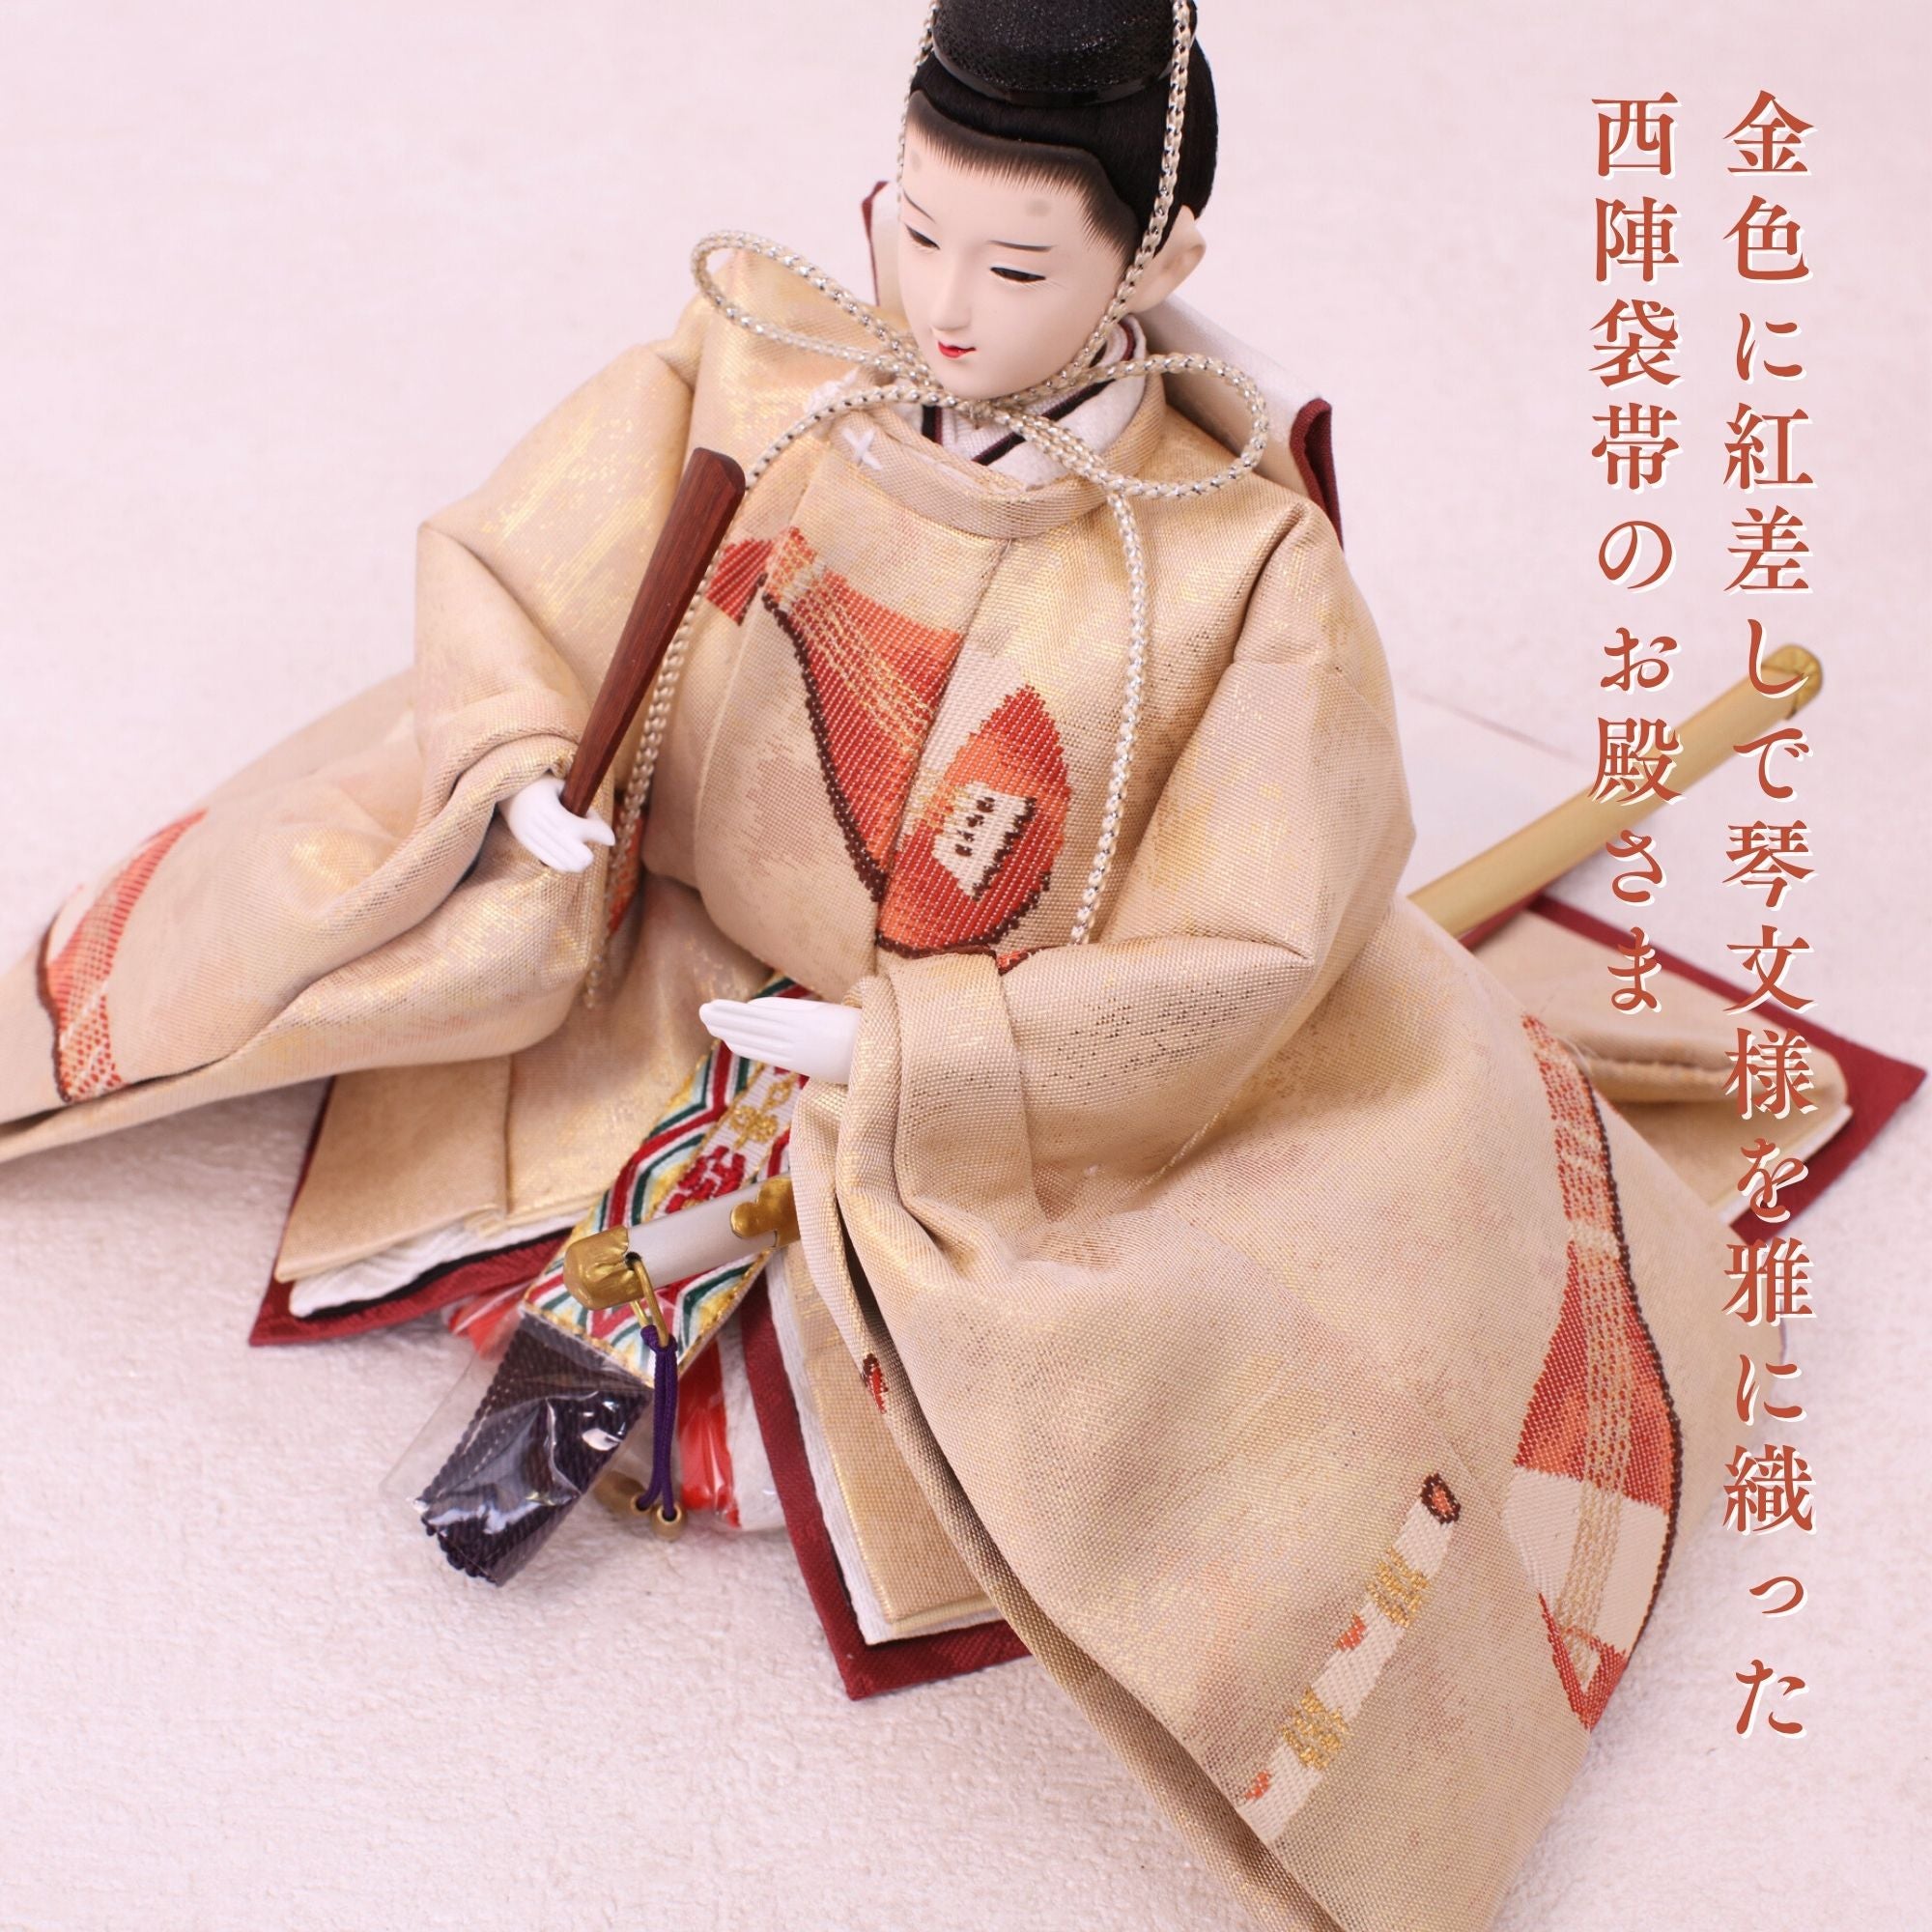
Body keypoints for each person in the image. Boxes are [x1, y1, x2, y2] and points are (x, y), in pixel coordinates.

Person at [0, 5, 1773, 1926]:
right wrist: (523, 768)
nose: (939, 303)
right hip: (674, 946)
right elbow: (524, 569)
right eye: (911, 231)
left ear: (1151, 263)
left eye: (1013, 266)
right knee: (371, 968)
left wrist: (931, 1053)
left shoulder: (1235, 568)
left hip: (1014, 1060)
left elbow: (1252, 934)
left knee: (1173, 1368)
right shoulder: (759, 370)